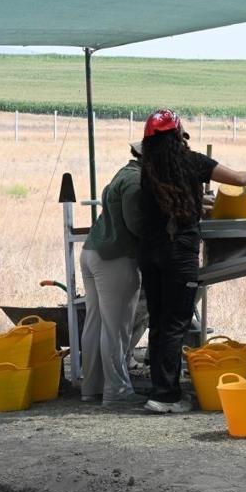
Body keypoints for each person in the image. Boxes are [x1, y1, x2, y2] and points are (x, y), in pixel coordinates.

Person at [138, 109, 246, 413]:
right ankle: (166, 396)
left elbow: (170, 201)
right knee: (176, 322)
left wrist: (196, 204)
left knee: (159, 321)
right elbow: (235, 178)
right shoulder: (191, 161)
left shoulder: (148, 168)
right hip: (179, 253)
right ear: (180, 135)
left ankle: (160, 389)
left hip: (150, 253)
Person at [80, 142, 147, 406]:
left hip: (92, 251)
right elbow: (137, 224)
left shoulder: (123, 173)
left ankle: (91, 387)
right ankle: (117, 392)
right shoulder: (136, 182)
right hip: (115, 258)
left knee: (95, 325)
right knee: (116, 328)